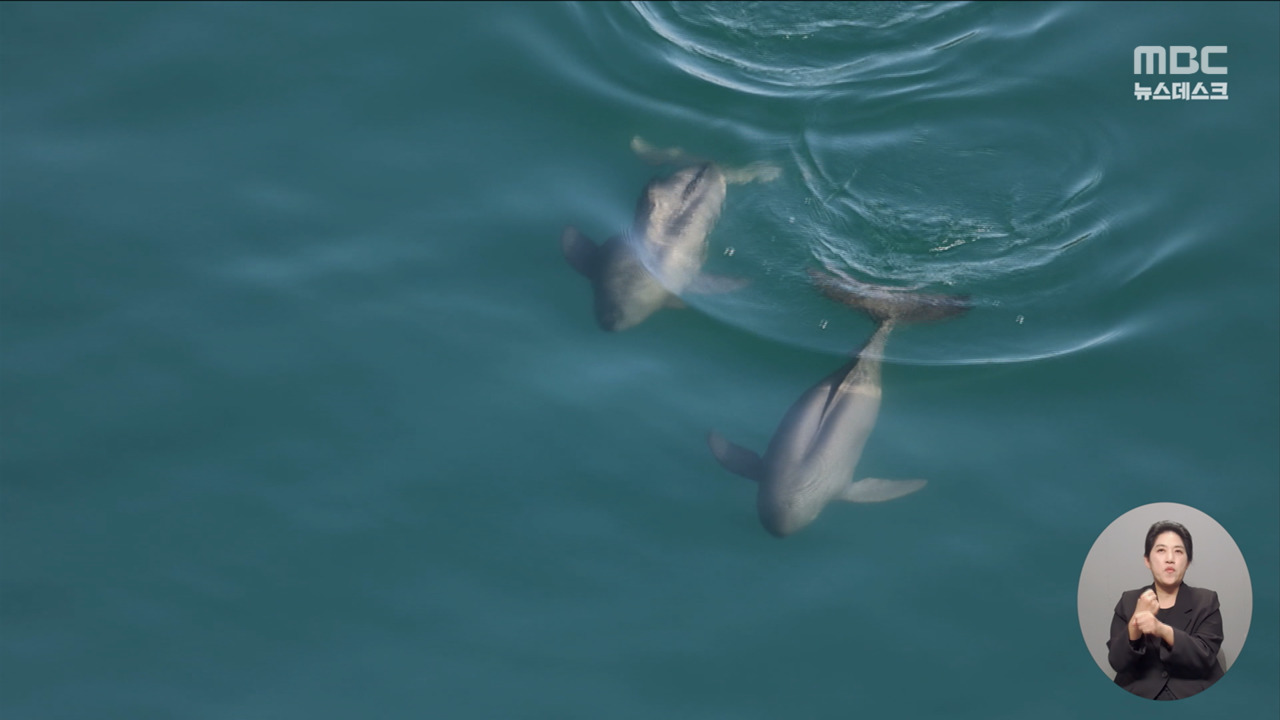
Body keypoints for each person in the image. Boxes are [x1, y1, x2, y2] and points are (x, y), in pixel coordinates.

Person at [1107, 520, 1225, 700]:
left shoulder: (1206, 600)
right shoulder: (1129, 600)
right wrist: (1135, 625)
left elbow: (1205, 656)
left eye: (1178, 551)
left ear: (1187, 562)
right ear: (1147, 560)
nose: (1170, 558)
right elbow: (1117, 661)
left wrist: (1160, 629)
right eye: (1161, 550)